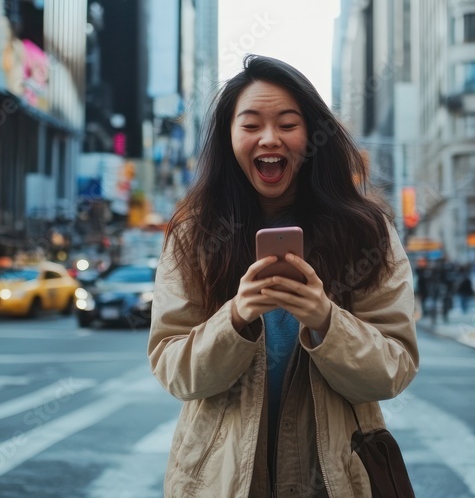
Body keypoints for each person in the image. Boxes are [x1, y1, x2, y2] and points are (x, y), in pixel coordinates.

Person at [147, 55, 419, 497]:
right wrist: (235, 318)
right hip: (220, 481)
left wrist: (326, 320)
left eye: (288, 124)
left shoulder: (366, 232)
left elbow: (393, 370)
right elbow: (175, 371)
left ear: (312, 135)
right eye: (251, 125)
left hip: (333, 480)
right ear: (229, 137)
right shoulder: (194, 234)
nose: (269, 138)